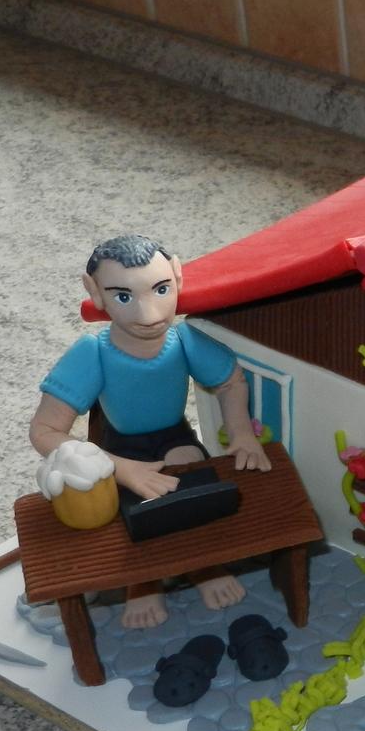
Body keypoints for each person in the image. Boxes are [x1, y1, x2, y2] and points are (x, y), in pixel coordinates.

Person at [29, 235, 270, 628]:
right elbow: (44, 430)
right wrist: (120, 468)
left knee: (195, 485)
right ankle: (142, 582)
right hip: (118, 447)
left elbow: (230, 380)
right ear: (95, 292)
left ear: (177, 275)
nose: (148, 312)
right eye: (124, 296)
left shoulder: (184, 340)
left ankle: (203, 565)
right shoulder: (93, 353)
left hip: (174, 435)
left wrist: (241, 433)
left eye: (161, 290)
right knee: (128, 508)